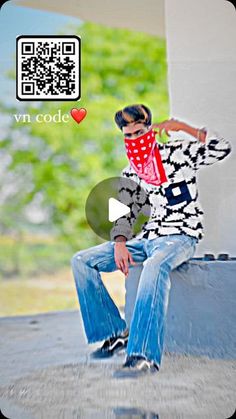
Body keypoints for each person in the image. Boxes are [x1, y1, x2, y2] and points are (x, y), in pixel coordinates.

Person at [71, 104, 232, 377]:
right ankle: (114, 333)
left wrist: (183, 128)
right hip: (143, 239)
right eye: (128, 134)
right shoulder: (130, 173)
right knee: (82, 261)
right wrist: (120, 243)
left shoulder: (179, 154)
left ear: (151, 129)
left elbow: (221, 148)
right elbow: (124, 215)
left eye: (140, 131)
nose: (135, 138)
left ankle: (143, 355)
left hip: (179, 236)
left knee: (155, 266)